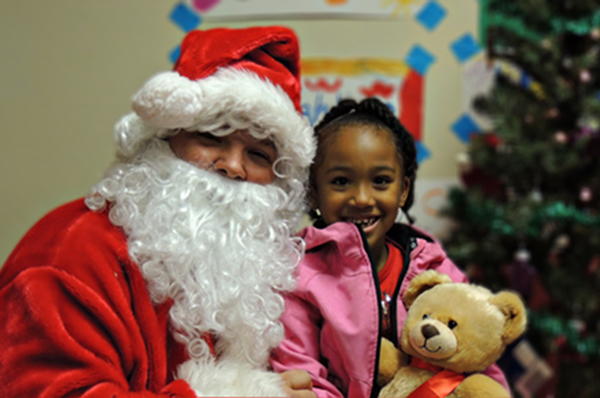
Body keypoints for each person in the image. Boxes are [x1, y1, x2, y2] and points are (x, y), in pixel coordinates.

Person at [0, 26, 317, 397]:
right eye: (212, 137)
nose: (233, 166)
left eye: (258, 155)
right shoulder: (71, 248)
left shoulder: (255, 277)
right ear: (162, 139)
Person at [270, 98, 511, 397]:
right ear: (314, 193)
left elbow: (478, 350)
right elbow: (302, 373)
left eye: (381, 181)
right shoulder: (299, 276)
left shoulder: (431, 264)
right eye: (341, 181)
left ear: (403, 190)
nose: (361, 198)